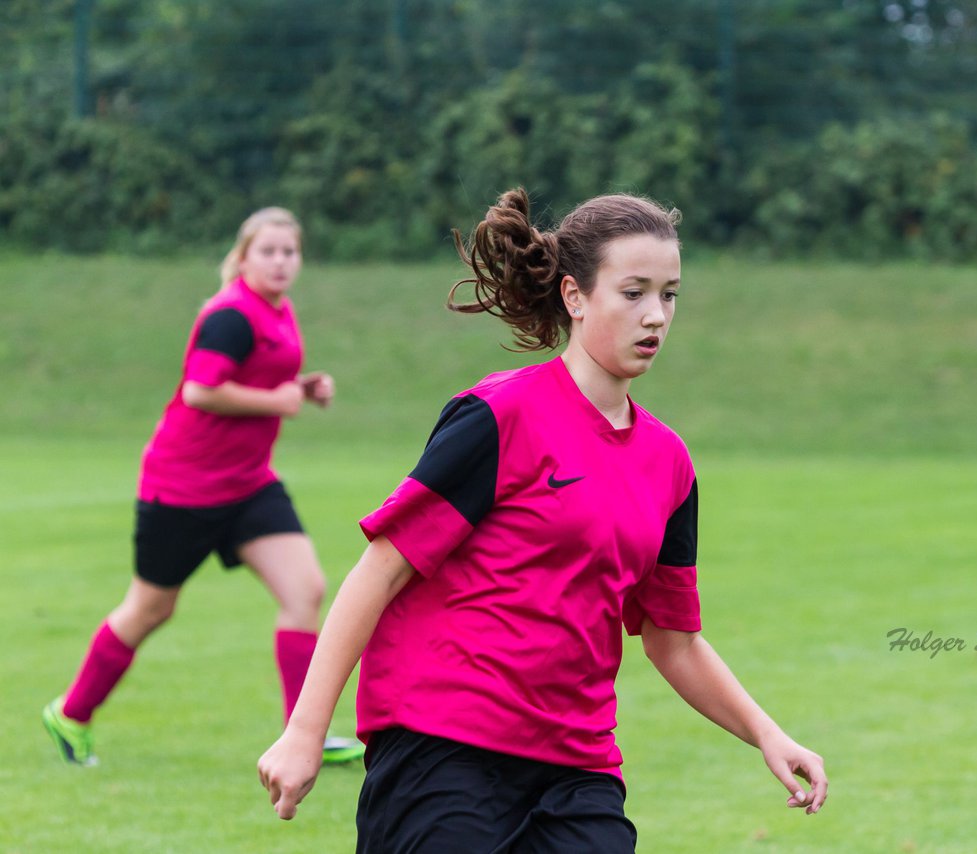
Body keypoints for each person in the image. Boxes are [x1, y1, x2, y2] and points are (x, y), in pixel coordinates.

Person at [257, 188, 828, 852]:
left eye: (669, 295)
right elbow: (379, 571)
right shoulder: (500, 417)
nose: (656, 317)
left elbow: (674, 640)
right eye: (634, 292)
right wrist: (304, 732)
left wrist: (768, 732)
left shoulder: (668, 463)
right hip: (443, 746)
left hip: (576, 767)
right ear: (575, 296)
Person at [42, 207, 362, 768]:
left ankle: (301, 735)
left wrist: (300, 389)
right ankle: (71, 714)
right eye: (268, 251)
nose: (281, 261)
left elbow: (257, 379)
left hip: (249, 485)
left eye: (290, 252)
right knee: (151, 608)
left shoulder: (277, 311)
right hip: (183, 486)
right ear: (243, 257)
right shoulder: (231, 315)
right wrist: (277, 400)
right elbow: (199, 391)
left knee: (305, 590)